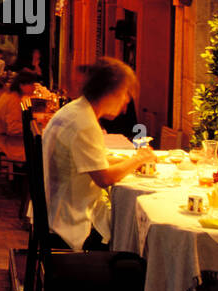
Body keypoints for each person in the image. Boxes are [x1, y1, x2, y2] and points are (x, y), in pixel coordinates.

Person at [41, 58, 155, 252]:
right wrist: (138, 159)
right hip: (68, 223)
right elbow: (104, 178)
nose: (127, 101)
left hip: (53, 211)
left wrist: (128, 160)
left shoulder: (75, 110)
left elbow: (89, 160)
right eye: (125, 93)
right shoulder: (84, 123)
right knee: (134, 245)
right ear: (109, 92)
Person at [0, 70, 39, 163]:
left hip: (0, 134)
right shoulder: (14, 100)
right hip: (6, 141)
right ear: (21, 85)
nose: (34, 88)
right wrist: (33, 128)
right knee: (40, 150)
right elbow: (13, 129)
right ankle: (31, 175)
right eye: (31, 84)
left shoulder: (9, 94)